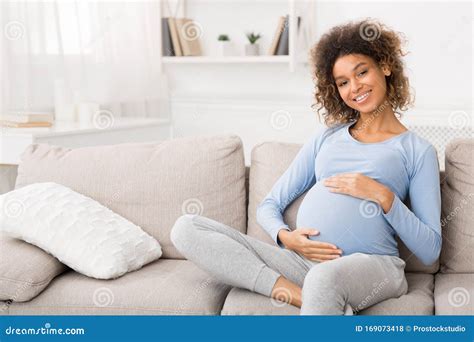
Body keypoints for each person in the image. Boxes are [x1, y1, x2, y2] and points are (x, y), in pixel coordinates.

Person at [170, 19, 441, 315]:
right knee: (187, 228)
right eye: (343, 82)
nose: (355, 87)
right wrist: (287, 238)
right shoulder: (327, 137)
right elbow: (270, 205)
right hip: (304, 263)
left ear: (385, 66)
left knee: (324, 279)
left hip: (376, 265)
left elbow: (430, 250)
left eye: (362, 72)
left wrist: (383, 196)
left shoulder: (418, 151)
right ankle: (302, 295)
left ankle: (319, 292)